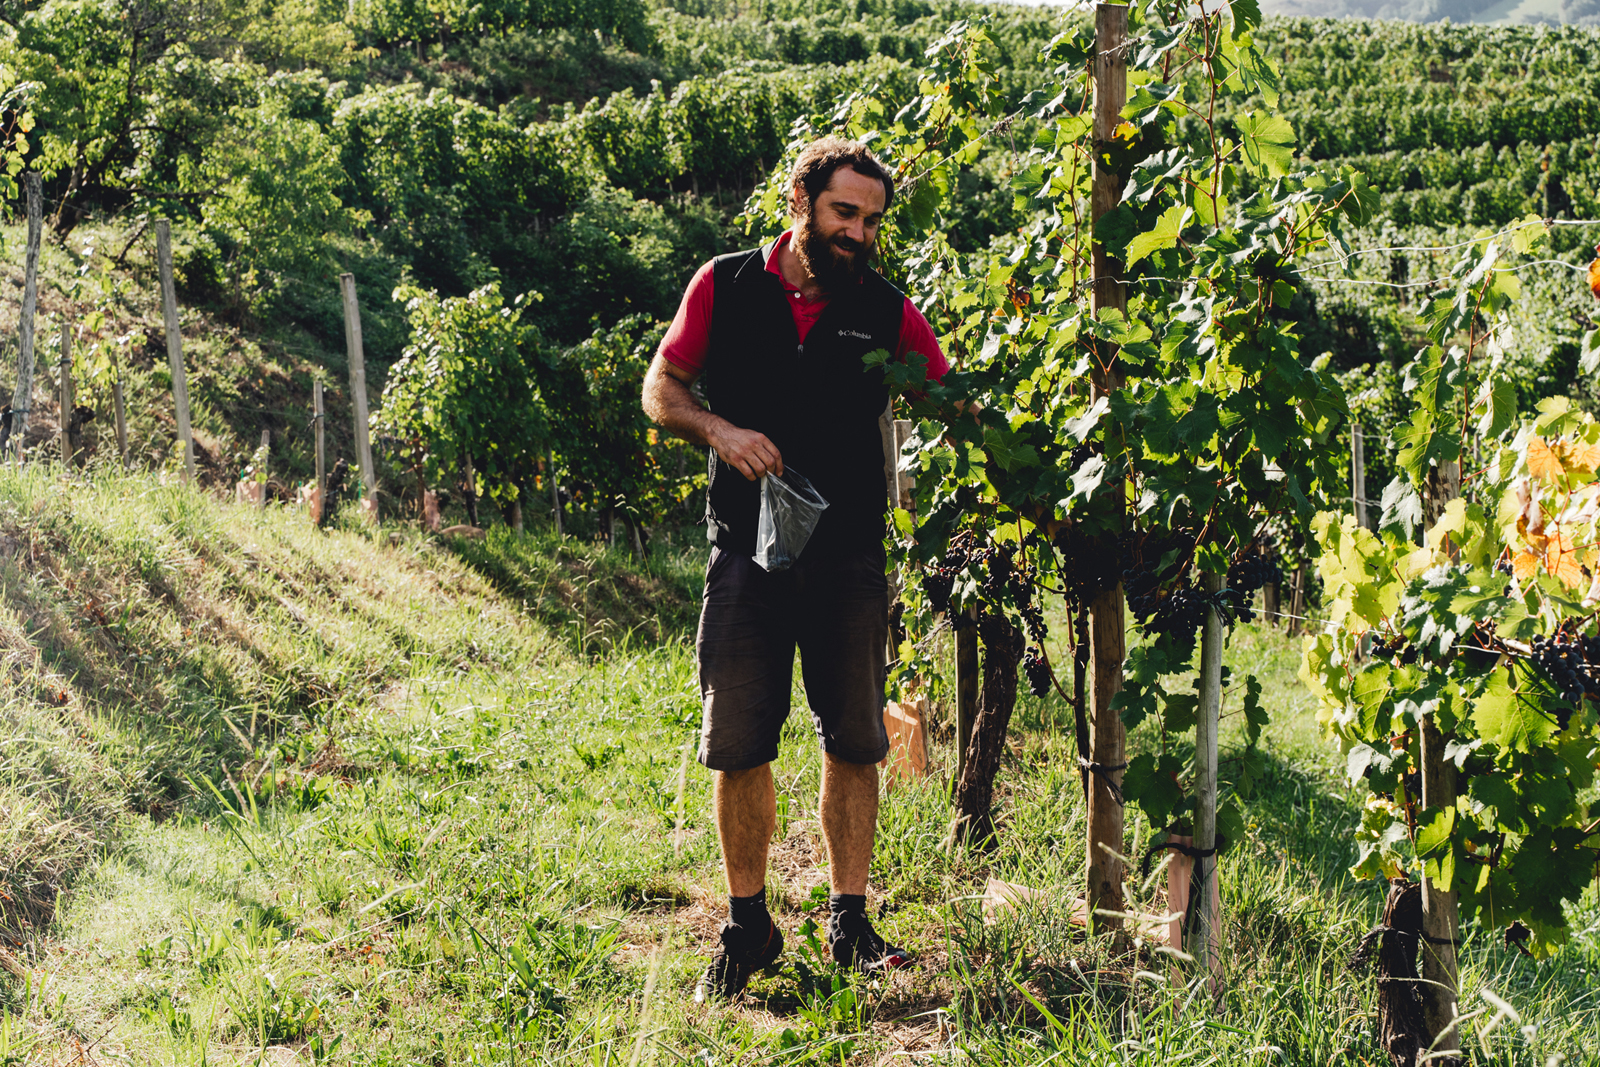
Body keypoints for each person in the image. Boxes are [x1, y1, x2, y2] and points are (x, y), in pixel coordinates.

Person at [641, 136, 948, 1002]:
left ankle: (850, 917)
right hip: (744, 549)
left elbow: (952, 398)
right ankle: (748, 925)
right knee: (739, 742)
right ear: (801, 202)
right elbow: (662, 388)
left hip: (848, 554)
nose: (858, 233)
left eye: (872, 220)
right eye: (844, 212)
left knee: (856, 738)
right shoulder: (726, 285)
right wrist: (720, 431)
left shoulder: (886, 309)